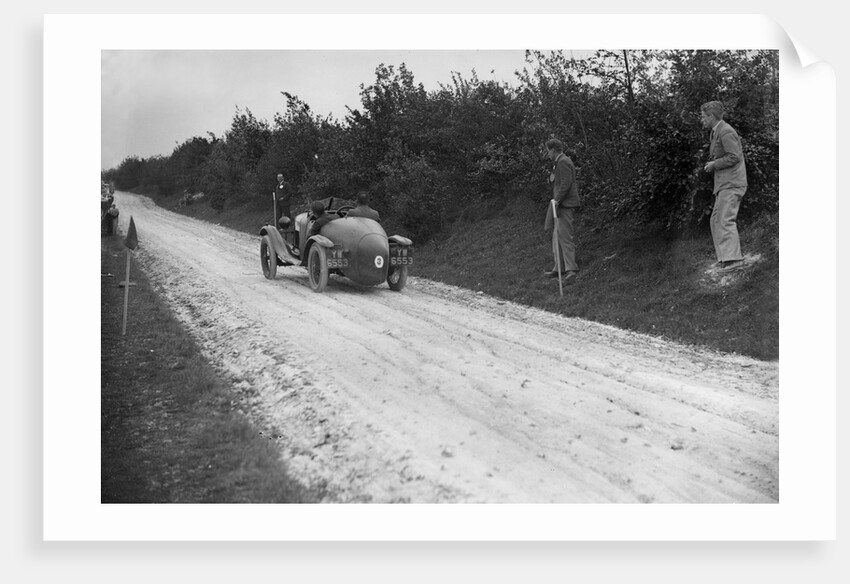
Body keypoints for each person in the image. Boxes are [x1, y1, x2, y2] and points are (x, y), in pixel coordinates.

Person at [700, 100, 747, 271]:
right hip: (725, 183)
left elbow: (734, 156)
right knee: (716, 220)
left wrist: (714, 164)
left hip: (732, 183)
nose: (701, 120)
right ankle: (725, 259)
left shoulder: (726, 131)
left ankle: (734, 260)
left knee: (724, 220)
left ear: (711, 116)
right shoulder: (716, 131)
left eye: (703, 116)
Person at [542, 138, 581, 282]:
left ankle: (571, 269)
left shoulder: (564, 161)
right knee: (556, 237)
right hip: (560, 205)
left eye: (548, 151)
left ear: (553, 150)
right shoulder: (559, 162)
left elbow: (566, 183)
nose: (548, 154)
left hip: (565, 204)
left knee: (565, 236)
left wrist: (557, 200)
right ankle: (559, 268)